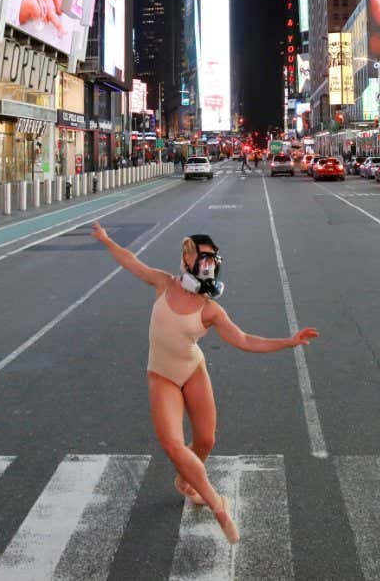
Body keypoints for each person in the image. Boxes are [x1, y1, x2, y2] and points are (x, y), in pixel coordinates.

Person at [90, 224, 318, 544]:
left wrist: (289, 342)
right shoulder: (163, 283)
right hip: (162, 375)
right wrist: (106, 240)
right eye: (200, 258)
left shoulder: (210, 309)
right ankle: (216, 505)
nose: (205, 265)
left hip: (192, 370)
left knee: (206, 440)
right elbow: (130, 261)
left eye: (210, 261)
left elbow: (244, 340)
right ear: (186, 260)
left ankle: (186, 482)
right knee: (172, 442)